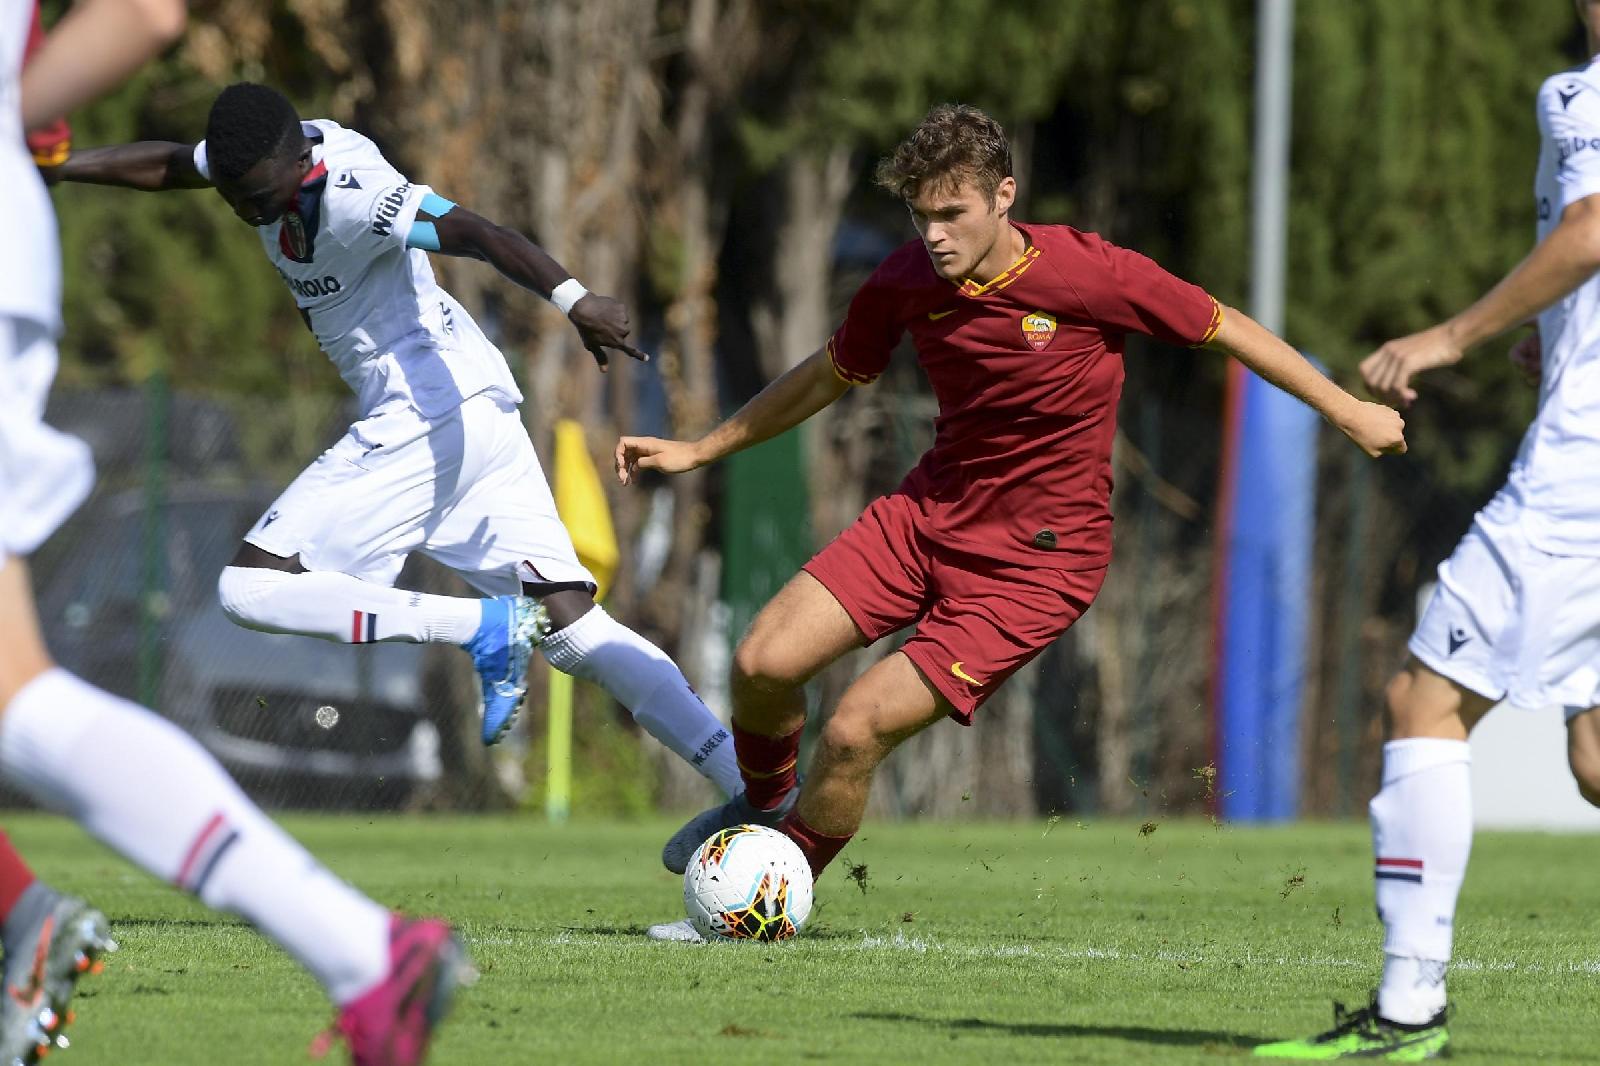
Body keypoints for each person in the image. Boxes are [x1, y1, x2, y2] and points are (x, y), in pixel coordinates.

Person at [616, 103, 1406, 941]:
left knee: (853, 731)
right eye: (920, 216)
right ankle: (767, 800)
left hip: (1036, 569)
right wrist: (703, 449)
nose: (935, 235)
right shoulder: (906, 282)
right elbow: (828, 374)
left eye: (952, 214)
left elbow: (1226, 329)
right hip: (926, 518)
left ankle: (761, 903)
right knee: (762, 660)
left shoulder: (1089, 272)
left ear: (1004, 196)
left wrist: (1349, 410)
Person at [50, 83, 743, 801]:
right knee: (573, 628)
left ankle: (482, 625)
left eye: (259, 197)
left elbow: (477, 233)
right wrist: (60, 164)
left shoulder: (356, 190)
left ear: (300, 164)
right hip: (473, 417)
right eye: (234, 199)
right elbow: (169, 165)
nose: (248, 212)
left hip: (424, 417)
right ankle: (759, 789)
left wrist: (576, 301)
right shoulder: (254, 154)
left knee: (249, 588)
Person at [10, 5, 471, 1066]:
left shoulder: (348, 182)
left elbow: (144, 15)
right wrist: (42, 152)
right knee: (13, 689)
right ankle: (360, 952)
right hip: (14, 250)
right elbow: (163, 139)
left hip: (436, 406)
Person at [1255, 1, 1600, 1059]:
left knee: (1423, 700)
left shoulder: (1582, 94)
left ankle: (1408, 1010)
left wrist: (1452, 334)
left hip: (1583, 476)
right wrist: (1555, 332)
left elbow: (1592, 228)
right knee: (1594, 751)